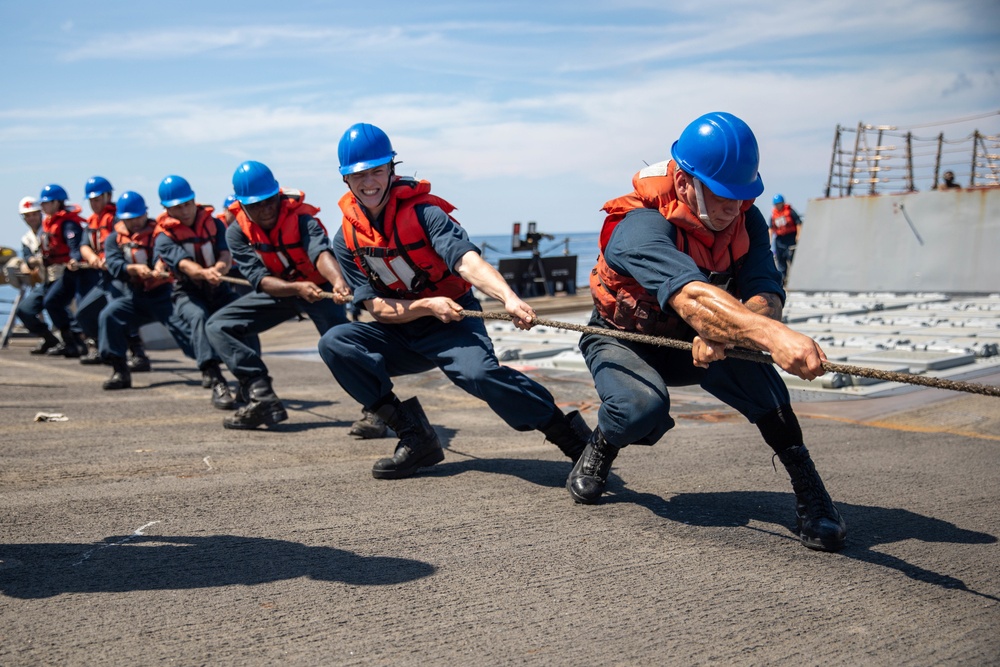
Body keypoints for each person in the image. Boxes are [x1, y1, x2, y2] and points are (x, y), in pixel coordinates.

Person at [569, 112, 846, 552]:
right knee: (640, 409)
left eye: (741, 196)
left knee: (768, 392)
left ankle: (811, 493)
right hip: (626, 338)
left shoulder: (746, 221)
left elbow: (765, 294)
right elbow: (692, 297)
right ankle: (601, 443)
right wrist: (772, 337)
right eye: (721, 195)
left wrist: (727, 333)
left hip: (703, 343)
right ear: (683, 183)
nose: (732, 207)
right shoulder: (638, 226)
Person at [317, 122, 592, 480]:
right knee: (336, 342)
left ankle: (574, 442)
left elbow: (466, 261)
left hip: (453, 322)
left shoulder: (426, 214)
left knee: (479, 373)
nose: (369, 183)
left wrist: (508, 297)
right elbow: (376, 309)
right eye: (359, 176)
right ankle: (415, 437)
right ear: (345, 180)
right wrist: (426, 305)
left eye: (377, 172)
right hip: (401, 327)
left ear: (391, 170)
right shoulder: (346, 240)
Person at [204, 160, 355, 430]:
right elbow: (259, 279)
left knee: (343, 346)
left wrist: (338, 282)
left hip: (319, 290)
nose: (264, 210)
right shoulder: (237, 232)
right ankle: (262, 397)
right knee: (218, 325)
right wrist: (295, 288)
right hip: (281, 291)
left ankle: (379, 410)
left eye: (268, 201)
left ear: (278, 195)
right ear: (243, 206)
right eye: (255, 205)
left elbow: (319, 253)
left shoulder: (302, 219)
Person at [153, 174, 239, 410]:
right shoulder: (163, 238)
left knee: (242, 317)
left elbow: (224, 253)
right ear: (167, 210)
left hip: (219, 286)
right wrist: (204, 273)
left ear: (194, 201)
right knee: (198, 317)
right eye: (177, 207)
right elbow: (183, 265)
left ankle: (249, 379)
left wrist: (219, 269)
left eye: (187, 204)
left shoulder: (215, 224)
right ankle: (215, 378)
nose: (185, 211)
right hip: (187, 291)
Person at [98, 191, 191, 390]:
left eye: (139, 216)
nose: (135, 222)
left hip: (162, 295)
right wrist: (133, 269)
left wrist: (159, 268)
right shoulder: (114, 240)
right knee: (110, 315)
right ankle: (119, 370)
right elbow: (114, 265)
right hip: (134, 296)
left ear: (145, 213)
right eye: (130, 219)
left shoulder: (159, 233)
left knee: (184, 326)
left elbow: (164, 252)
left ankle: (210, 367)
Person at [33, 184, 88, 357]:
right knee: (52, 301)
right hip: (64, 272)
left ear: (57, 203)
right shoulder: (50, 223)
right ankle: (71, 342)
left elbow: (74, 245)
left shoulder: (68, 224)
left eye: (46, 203)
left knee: (84, 307)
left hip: (77, 272)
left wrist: (74, 258)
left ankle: (81, 342)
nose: (43, 207)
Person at [11, 196, 56, 353]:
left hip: (62, 279)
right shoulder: (26, 239)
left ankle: (75, 342)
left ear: (40, 213)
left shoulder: (52, 229)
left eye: (34, 214)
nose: (31, 218)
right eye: (28, 215)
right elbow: (28, 259)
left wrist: (36, 261)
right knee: (24, 311)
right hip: (45, 281)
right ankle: (50, 339)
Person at [769, 193, 801, 284]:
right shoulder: (774, 215)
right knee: (781, 261)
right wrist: (769, 239)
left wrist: (798, 235)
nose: (778, 206)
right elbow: (771, 228)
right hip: (779, 240)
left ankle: (795, 280)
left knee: (792, 259)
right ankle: (782, 280)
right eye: (776, 204)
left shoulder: (790, 212)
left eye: (779, 203)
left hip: (790, 238)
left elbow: (798, 223)